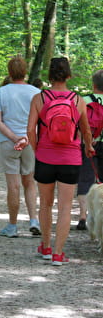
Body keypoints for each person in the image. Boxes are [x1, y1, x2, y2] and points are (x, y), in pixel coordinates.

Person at [27, 57, 94, 266]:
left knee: (45, 205)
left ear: (50, 74)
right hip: (71, 159)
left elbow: (30, 130)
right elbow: (86, 130)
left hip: (45, 158)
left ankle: (45, 247)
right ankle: (58, 254)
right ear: (69, 75)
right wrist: (89, 146)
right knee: (65, 207)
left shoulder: (40, 98)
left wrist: (38, 150)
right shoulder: (78, 100)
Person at [0, 56, 41, 238]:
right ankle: (34, 220)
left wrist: (14, 137)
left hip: (7, 142)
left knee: (13, 186)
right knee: (30, 182)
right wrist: (26, 138)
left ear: (9, 72)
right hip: (31, 143)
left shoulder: (2, 92)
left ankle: (12, 226)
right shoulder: (36, 92)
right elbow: (41, 121)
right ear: (25, 71)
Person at [76, 70, 103, 230]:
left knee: (85, 180)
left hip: (87, 144)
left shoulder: (83, 101)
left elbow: (74, 125)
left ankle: (83, 216)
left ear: (93, 85)